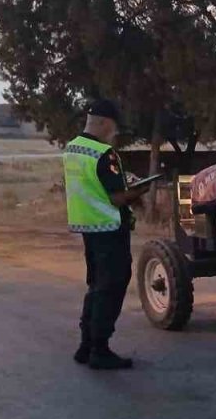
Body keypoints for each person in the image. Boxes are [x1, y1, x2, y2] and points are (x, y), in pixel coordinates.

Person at [64, 99, 151, 370]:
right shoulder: (104, 154)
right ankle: (100, 350)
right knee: (111, 288)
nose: (114, 134)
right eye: (112, 128)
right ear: (102, 122)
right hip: (110, 228)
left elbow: (92, 187)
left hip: (88, 227)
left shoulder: (72, 149)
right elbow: (117, 197)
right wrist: (141, 190)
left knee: (96, 286)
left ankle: (86, 345)